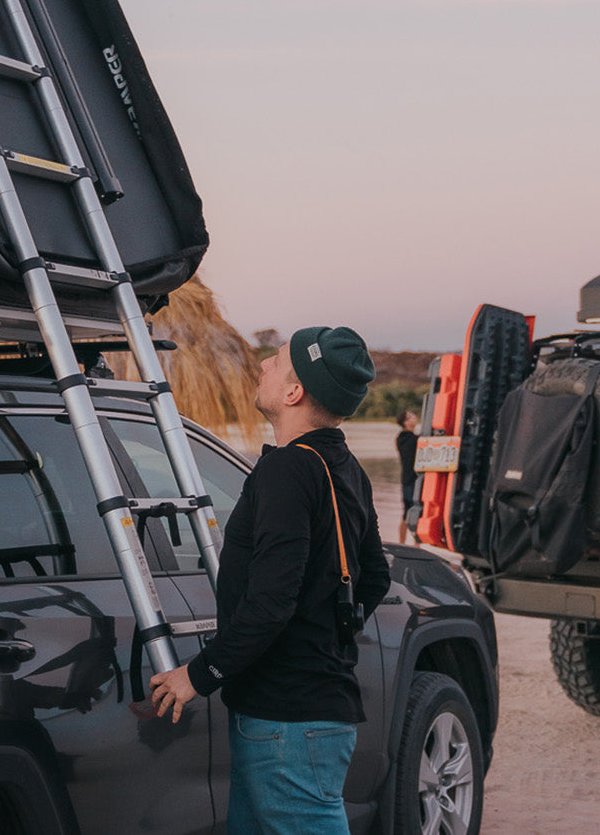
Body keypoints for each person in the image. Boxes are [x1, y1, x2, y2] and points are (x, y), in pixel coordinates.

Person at [150, 326, 392, 835]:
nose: (262, 365)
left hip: (287, 725)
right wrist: (322, 635)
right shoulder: (343, 467)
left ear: (293, 391)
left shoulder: (287, 470)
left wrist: (197, 676)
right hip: (307, 717)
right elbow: (375, 579)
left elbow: (270, 603)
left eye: (277, 361)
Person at [396, 409, 419, 544]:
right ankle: (402, 543)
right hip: (409, 480)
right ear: (405, 422)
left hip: (413, 480)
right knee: (407, 513)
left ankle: (416, 544)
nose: (415, 418)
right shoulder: (404, 438)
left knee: (413, 512)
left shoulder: (412, 438)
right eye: (411, 417)